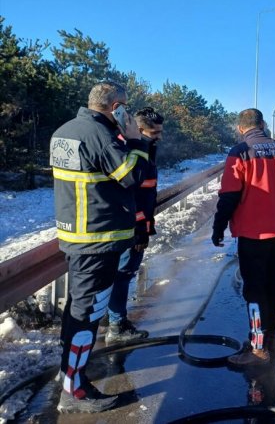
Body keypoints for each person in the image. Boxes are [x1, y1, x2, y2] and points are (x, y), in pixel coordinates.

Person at [50, 81, 149, 413]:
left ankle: (69, 374)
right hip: (98, 240)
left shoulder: (66, 130)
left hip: (78, 237)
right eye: (126, 106)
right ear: (116, 107)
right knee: (88, 314)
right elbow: (132, 175)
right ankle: (75, 391)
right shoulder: (100, 135)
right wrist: (135, 139)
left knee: (77, 310)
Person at [212, 108, 275, 366]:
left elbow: (229, 195)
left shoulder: (239, 152)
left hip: (253, 235)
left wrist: (218, 227)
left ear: (241, 128)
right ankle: (270, 337)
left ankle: (257, 346)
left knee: (253, 290)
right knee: (273, 284)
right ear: (262, 124)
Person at [106, 107, 164, 344]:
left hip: (134, 224)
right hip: (130, 228)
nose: (159, 136)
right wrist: (141, 229)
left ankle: (110, 316)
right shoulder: (132, 152)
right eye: (154, 131)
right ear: (138, 130)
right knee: (123, 274)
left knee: (119, 274)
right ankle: (116, 325)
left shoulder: (146, 149)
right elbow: (131, 197)